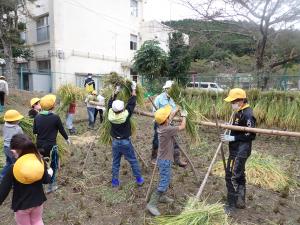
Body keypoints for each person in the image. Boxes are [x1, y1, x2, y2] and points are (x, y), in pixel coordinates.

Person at [0, 134, 53, 225]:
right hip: (38, 202)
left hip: (22, 205)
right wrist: (50, 172)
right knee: (37, 221)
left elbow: (3, 191)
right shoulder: (39, 161)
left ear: (13, 151)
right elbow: (46, 180)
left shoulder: (13, 168)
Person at [146, 105, 187, 216]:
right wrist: (184, 116)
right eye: (168, 117)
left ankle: (162, 196)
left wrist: (177, 110)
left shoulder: (160, 126)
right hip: (165, 160)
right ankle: (152, 204)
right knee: (164, 181)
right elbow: (182, 127)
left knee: (165, 178)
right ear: (166, 120)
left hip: (163, 159)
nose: (170, 117)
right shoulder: (168, 129)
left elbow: (168, 118)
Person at [221, 88, 256, 214]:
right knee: (240, 175)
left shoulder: (248, 114)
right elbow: (237, 128)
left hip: (241, 150)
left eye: (233, 102)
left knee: (231, 176)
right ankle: (240, 200)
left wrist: (233, 137)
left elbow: (251, 135)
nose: (232, 104)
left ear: (240, 101)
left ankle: (232, 204)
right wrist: (229, 128)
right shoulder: (238, 112)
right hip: (235, 148)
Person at [108, 82, 144, 187]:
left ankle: (115, 181)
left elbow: (110, 103)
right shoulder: (125, 115)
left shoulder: (110, 115)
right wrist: (133, 89)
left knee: (115, 162)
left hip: (115, 142)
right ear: (122, 109)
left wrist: (116, 91)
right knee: (133, 160)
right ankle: (139, 179)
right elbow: (132, 102)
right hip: (125, 142)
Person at [33, 94, 70, 193]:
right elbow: (61, 130)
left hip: (40, 145)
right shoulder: (55, 117)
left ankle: (40, 185)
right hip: (51, 146)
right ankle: (51, 186)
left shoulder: (37, 117)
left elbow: (35, 131)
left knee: (41, 164)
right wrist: (67, 139)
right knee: (53, 165)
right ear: (52, 106)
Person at [151, 80, 187, 167]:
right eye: (169, 89)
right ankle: (154, 157)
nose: (170, 91)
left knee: (175, 140)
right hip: (160, 123)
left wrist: (182, 114)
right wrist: (168, 114)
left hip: (170, 123)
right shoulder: (159, 98)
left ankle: (177, 159)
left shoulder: (175, 98)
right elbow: (154, 112)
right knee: (157, 140)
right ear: (166, 89)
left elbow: (178, 109)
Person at [0, 110, 24, 182]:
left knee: (8, 163)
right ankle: (14, 180)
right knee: (16, 164)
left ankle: (1, 176)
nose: (19, 120)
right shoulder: (17, 128)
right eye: (18, 119)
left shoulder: (4, 126)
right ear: (14, 121)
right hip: (13, 150)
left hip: (6, 148)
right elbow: (22, 137)